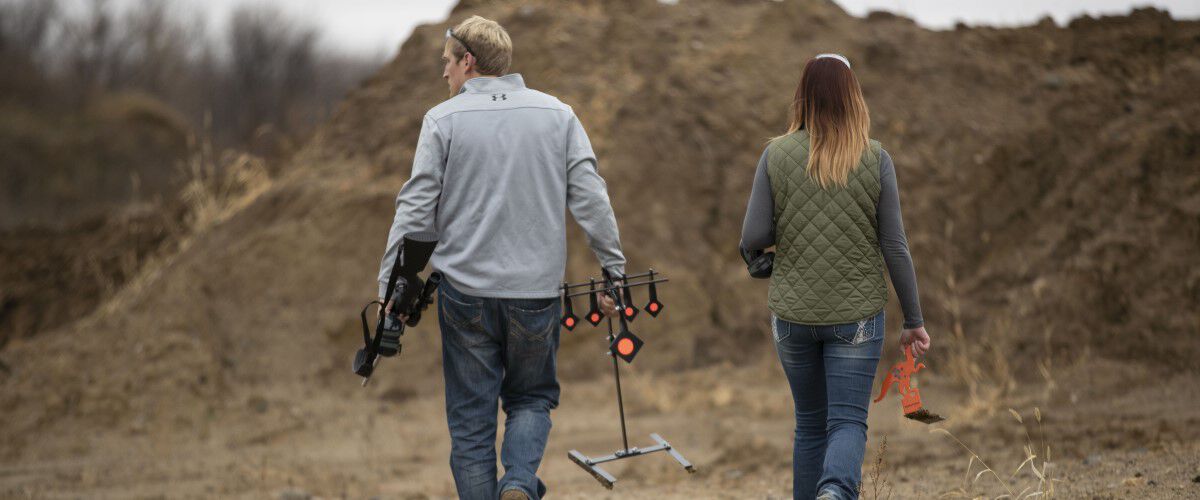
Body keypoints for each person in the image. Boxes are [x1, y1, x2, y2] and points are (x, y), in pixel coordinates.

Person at [375, 15, 625, 500]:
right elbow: (592, 197)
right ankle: (516, 483)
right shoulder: (559, 115)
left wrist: (390, 287)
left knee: (470, 424)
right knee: (531, 399)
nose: (443, 74)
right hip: (535, 295)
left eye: (446, 62)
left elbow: (415, 211)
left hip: (464, 296)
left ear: (468, 62)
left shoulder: (442, 121)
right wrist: (613, 268)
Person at [740, 53, 932, 500]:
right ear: (852, 96)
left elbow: (753, 235)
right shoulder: (874, 158)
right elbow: (895, 247)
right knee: (846, 420)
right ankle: (835, 492)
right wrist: (913, 320)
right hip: (857, 318)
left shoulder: (776, 154)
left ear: (803, 96)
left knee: (809, 424)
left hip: (791, 317)